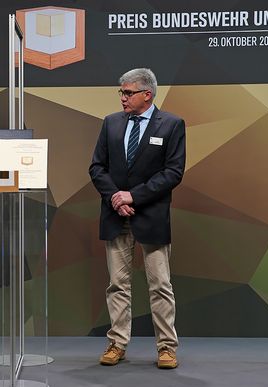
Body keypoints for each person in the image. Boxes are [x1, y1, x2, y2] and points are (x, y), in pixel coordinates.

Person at [89, 68, 185, 369]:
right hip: (116, 216)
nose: (122, 98)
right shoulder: (111, 123)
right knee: (117, 285)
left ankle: (167, 348)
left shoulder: (171, 124)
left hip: (151, 217)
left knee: (160, 285)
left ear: (148, 94)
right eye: (121, 92)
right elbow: (97, 168)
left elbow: (173, 172)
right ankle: (117, 343)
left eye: (128, 92)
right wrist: (117, 198)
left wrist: (134, 196)